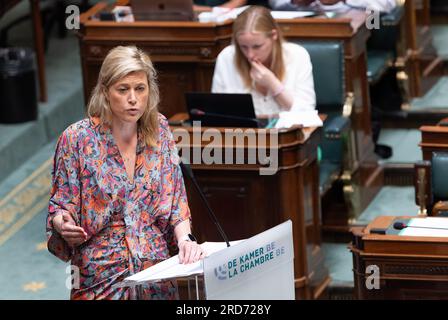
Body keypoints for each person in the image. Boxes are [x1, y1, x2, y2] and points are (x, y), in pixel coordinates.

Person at [46, 46, 204, 300]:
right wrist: (62, 223)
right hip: (99, 271)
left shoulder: (160, 129)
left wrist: (185, 239)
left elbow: (176, 201)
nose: (133, 98)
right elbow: (60, 206)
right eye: (123, 89)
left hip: (155, 268)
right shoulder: (76, 139)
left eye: (140, 89)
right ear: (106, 92)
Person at [212, 5, 316, 116]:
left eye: (257, 46)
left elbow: (307, 113)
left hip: (287, 132)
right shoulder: (226, 57)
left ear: (273, 35)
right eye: (243, 47)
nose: (250, 55)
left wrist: (273, 84)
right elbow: (218, 112)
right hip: (241, 133)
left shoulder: (297, 55)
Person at [269, 0, 397, 13]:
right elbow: (274, 3)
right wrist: (295, 1)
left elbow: (389, 3)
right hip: (306, 19)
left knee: (373, 20)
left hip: (360, 19)